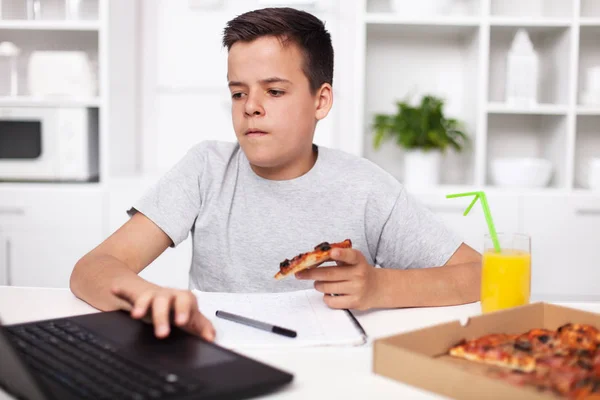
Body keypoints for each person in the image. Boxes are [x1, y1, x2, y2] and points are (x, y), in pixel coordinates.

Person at [70, 7, 482, 342]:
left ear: (320, 101)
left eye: (275, 91)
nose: (250, 106)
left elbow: (480, 273)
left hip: (335, 370)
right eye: (238, 92)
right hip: (217, 355)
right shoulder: (206, 170)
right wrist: (150, 296)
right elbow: (92, 268)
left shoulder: (368, 188)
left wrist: (378, 287)